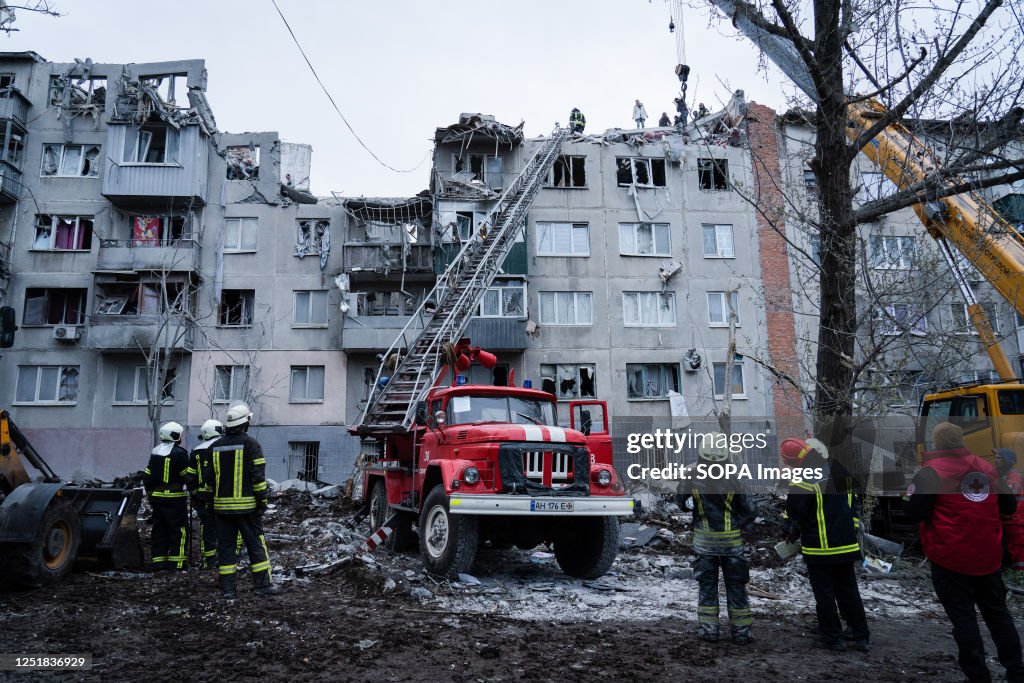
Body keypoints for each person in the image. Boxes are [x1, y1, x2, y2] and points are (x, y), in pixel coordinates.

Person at [904, 424, 1024, 682]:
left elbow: (914, 512)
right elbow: (1009, 505)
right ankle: (1016, 670)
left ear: (937, 443)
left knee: (964, 619)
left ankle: (978, 676)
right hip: (988, 557)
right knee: (998, 614)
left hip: (950, 559)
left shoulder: (930, 472)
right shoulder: (987, 468)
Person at [781, 437, 870, 652]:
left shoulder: (804, 477)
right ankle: (861, 637)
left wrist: (792, 528)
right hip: (847, 545)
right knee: (849, 591)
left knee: (825, 594)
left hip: (820, 548)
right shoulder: (840, 472)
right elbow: (853, 506)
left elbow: (795, 510)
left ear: (793, 460)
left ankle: (832, 638)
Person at [203, 403, 280, 598]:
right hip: (247, 509)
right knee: (255, 545)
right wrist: (262, 502)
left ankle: (228, 590)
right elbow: (257, 478)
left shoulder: (214, 447)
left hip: (221, 509)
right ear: (246, 422)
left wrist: (209, 503)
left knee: (226, 547)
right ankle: (263, 586)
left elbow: (209, 480)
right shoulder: (252, 445)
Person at [685, 434, 756, 644]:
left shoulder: (692, 475)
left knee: (707, 588)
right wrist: (739, 523)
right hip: (732, 546)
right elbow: (750, 509)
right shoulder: (735, 476)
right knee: (736, 588)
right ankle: (742, 634)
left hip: (704, 546)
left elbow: (681, 502)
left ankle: (709, 631)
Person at [143, 421, 194, 571]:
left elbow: (147, 477)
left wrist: (151, 495)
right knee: (179, 530)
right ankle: (177, 563)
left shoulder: (155, 452)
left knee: (159, 529)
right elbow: (187, 476)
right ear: (176, 436)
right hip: (175, 498)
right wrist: (195, 492)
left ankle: (158, 562)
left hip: (158, 498)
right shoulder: (180, 453)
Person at [191, 419, 225, 570]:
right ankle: (229, 557)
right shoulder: (223, 447)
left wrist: (194, 494)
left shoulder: (196, 451)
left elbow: (190, 476)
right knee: (227, 525)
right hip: (222, 495)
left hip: (202, 497)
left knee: (207, 528)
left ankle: (208, 561)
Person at [994, 448, 1024, 571]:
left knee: (1017, 547)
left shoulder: (1014, 475)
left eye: (999, 457)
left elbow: (1009, 494)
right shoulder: (1000, 474)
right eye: (995, 457)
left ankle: (1020, 574)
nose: (995, 459)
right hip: (1005, 519)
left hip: (1015, 519)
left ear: (1007, 460)